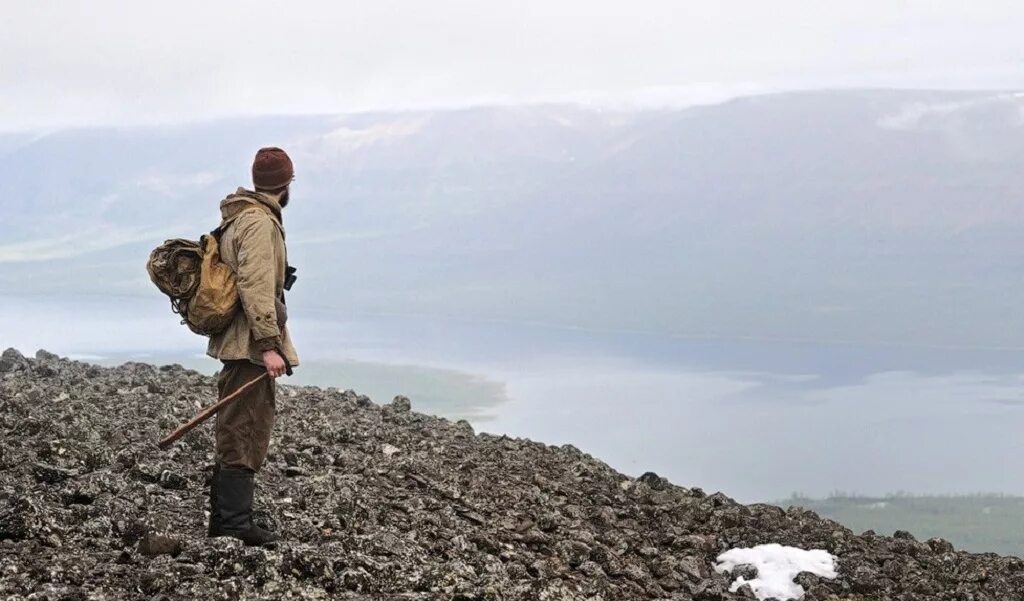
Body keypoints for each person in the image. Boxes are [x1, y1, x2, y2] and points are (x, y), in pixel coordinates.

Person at [205, 147, 300, 546]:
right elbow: (257, 288)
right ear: (287, 184)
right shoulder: (259, 223)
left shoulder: (239, 217)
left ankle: (227, 522)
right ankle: (234, 525)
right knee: (244, 430)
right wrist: (268, 346)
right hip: (249, 347)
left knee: (237, 427)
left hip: (240, 344)